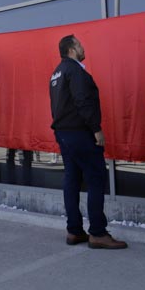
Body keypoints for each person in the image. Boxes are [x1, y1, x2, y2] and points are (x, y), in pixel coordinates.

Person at [50, 35, 127, 249]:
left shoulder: (56, 73)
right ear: (71, 50)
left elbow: (56, 106)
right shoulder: (75, 71)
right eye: (80, 45)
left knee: (72, 179)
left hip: (64, 133)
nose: (83, 48)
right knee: (96, 177)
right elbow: (82, 101)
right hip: (79, 132)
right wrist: (96, 129)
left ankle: (74, 230)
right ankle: (98, 233)